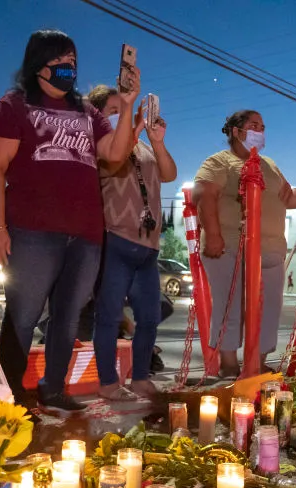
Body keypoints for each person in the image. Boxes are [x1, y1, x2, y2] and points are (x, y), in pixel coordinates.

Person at [0, 30, 139, 413]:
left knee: (68, 317)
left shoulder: (87, 111)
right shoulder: (14, 104)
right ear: (38, 64)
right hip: (33, 231)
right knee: (23, 314)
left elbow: (116, 154)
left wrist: (130, 105)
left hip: (85, 234)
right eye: (60, 62)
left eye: (73, 62)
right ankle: (11, 399)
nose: (69, 69)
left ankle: (53, 388)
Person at [193, 110, 296, 378]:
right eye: (253, 125)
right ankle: (228, 367)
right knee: (231, 306)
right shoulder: (219, 162)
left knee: (269, 309)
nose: (259, 130)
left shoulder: (269, 165)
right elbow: (205, 195)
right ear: (236, 131)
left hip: (270, 249)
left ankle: (257, 365)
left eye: (262, 126)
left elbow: (289, 196)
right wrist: (213, 234)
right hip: (230, 247)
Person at [87, 84, 177, 401]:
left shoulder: (144, 148)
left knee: (149, 317)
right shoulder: (99, 145)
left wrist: (156, 141)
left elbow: (169, 174)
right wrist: (134, 126)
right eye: (115, 112)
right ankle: (108, 383)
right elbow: (115, 159)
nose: (120, 116)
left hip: (148, 248)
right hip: (116, 240)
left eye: (122, 109)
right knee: (110, 317)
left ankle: (140, 378)